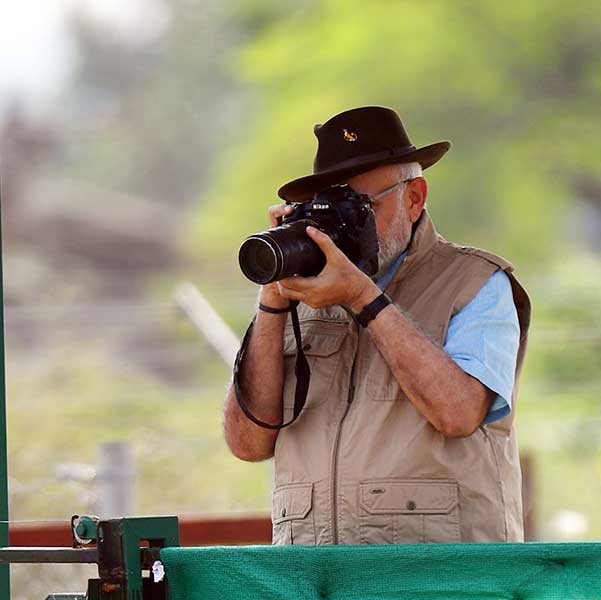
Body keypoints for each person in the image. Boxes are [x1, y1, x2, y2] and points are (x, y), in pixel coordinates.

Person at [223, 106, 531, 545]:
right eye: (327, 210)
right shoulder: (303, 295)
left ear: (414, 197)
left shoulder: (477, 282)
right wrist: (272, 301)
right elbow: (248, 444)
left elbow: (459, 412)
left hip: (443, 579)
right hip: (315, 579)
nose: (344, 225)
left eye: (360, 206)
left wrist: (362, 297)